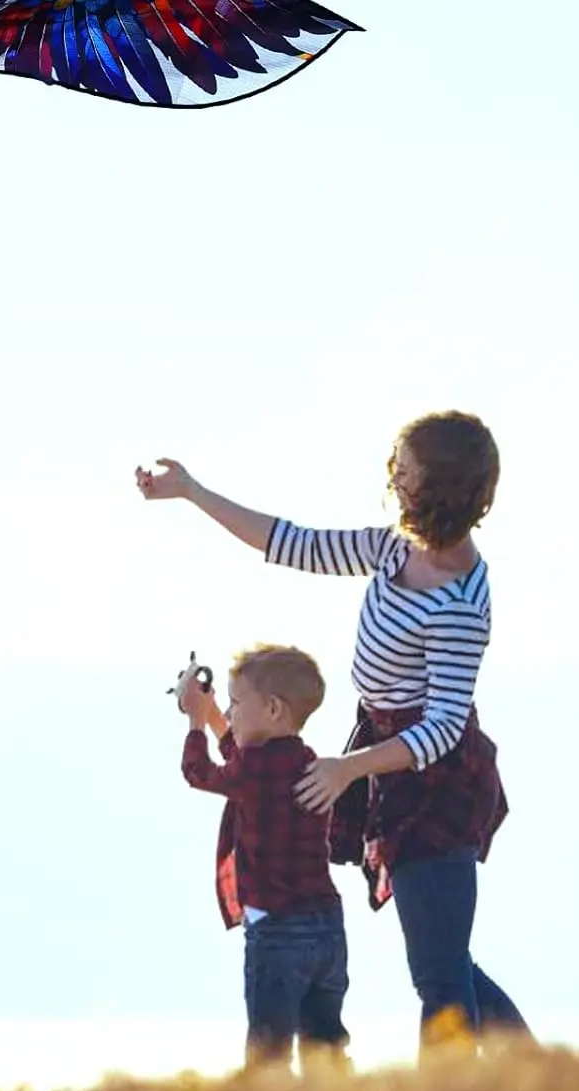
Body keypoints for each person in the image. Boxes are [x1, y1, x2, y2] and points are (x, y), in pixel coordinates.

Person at [140, 410, 532, 1054]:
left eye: (405, 473)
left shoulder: (460, 598)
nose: (393, 481)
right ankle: (538, 1072)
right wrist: (193, 492)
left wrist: (349, 769)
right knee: (445, 962)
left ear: (443, 488)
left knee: (438, 971)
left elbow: (442, 728)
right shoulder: (391, 547)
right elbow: (293, 544)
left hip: (432, 782)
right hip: (383, 756)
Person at [177, 644, 350, 1070]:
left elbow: (200, 773)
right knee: (325, 1044)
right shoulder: (305, 760)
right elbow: (238, 754)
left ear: (273, 710)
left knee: (268, 1052)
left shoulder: (254, 769)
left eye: (236, 704)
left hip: (277, 932)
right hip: (328, 927)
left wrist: (196, 722)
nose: (230, 715)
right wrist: (214, 710)